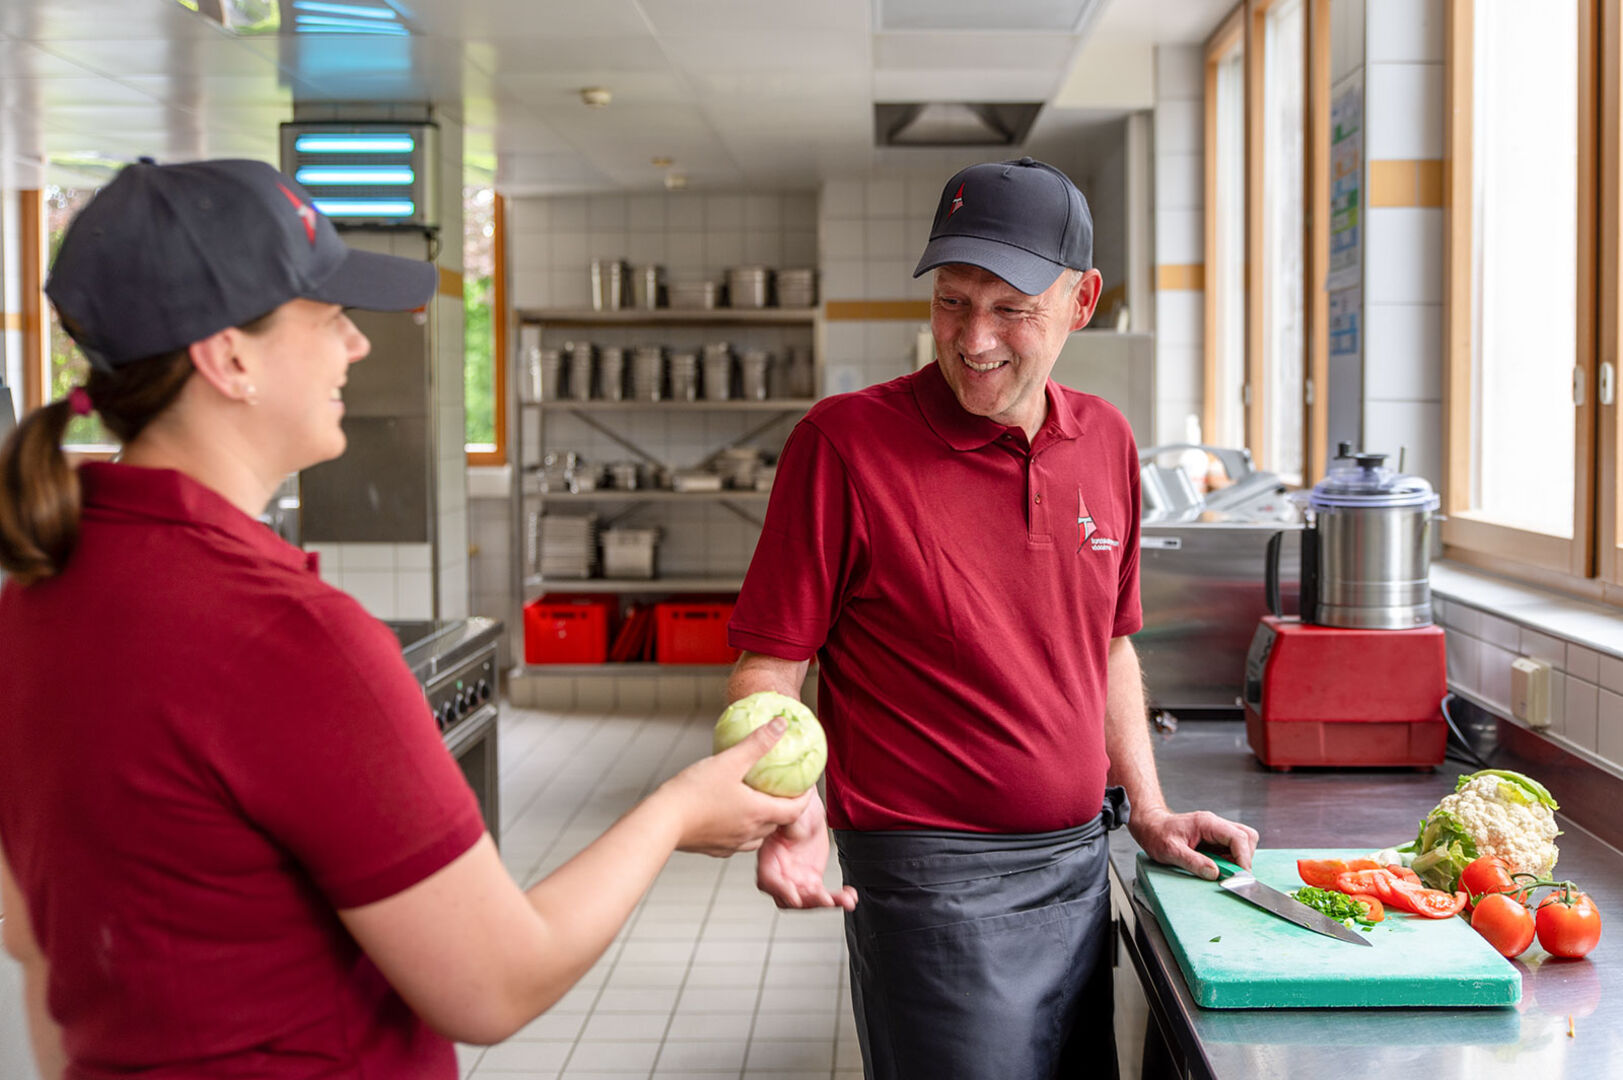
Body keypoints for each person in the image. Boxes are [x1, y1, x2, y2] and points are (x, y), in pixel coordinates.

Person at [0, 157, 809, 1080]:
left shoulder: (39, 590)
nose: (358, 346)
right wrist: (676, 811)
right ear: (228, 357)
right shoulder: (287, 636)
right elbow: (497, 985)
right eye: (331, 317)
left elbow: (37, 943)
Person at [726, 157, 1260, 1079]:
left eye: (1010, 307)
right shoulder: (843, 446)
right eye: (951, 301)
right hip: (926, 881)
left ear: (1081, 299)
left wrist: (1149, 808)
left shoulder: (1105, 439)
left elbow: (1107, 644)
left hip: (1077, 863)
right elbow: (768, 669)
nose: (973, 338)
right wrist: (786, 805)